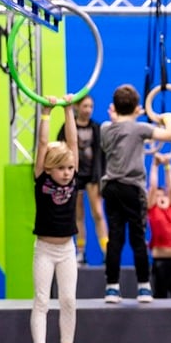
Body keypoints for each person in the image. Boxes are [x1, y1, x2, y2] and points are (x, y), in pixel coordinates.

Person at [100, 83, 171, 304]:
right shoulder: (139, 129)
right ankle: (143, 286)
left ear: (114, 107)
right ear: (136, 108)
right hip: (132, 189)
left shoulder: (105, 128)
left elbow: (118, 125)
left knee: (115, 239)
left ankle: (112, 288)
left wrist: (129, 113)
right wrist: (167, 117)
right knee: (138, 239)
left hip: (111, 189)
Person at [30, 96, 81, 343]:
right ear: (49, 168)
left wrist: (69, 110)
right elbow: (42, 145)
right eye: (60, 168)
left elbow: (73, 144)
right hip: (45, 249)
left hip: (67, 250)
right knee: (42, 300)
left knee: (69, 300)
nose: (66, 173)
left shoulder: (73, 178)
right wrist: (47, 114)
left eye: (69, 168)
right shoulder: (41, 177)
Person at [57, 94, 108, 265]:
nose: (88, 110)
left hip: (92, 176)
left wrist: (102, 176)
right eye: (85, 106)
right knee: (78, 215)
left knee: (98, 213)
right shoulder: (67, 128)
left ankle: (106, 251)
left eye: (91, 107)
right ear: (77, 107)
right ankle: (80, 252)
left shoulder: (96, 128)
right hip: (74, 177)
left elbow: (104, 154)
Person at [147, 151, 171, 298]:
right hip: (159, 262)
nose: (160, 196)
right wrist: (155, 166)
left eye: (163, 194)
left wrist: (168, 166)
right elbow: (152, 186)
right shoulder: (152, 208)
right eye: (157, 195)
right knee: (160, 296)